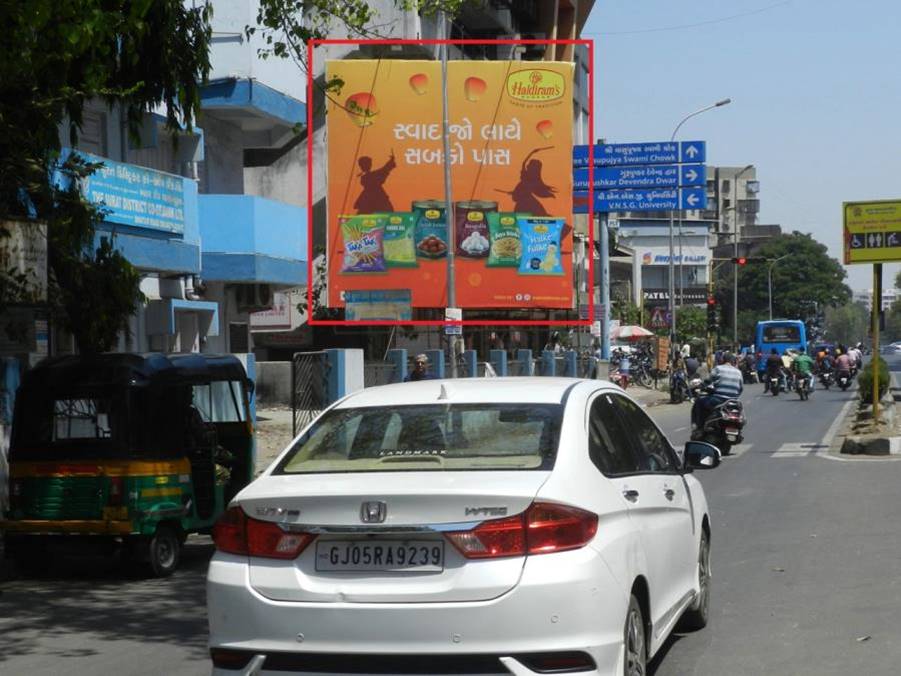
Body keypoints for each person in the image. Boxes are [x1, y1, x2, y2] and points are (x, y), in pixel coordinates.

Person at [691, 352, 743, 432]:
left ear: (722, 360)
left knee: (699, 402)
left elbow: (708, 381)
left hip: (719, 400)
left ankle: (699, 427)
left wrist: (701, 386)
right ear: (733, 361)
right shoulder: (738, 372)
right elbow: (740, 389)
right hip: (733, 402)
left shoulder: (718, 369)